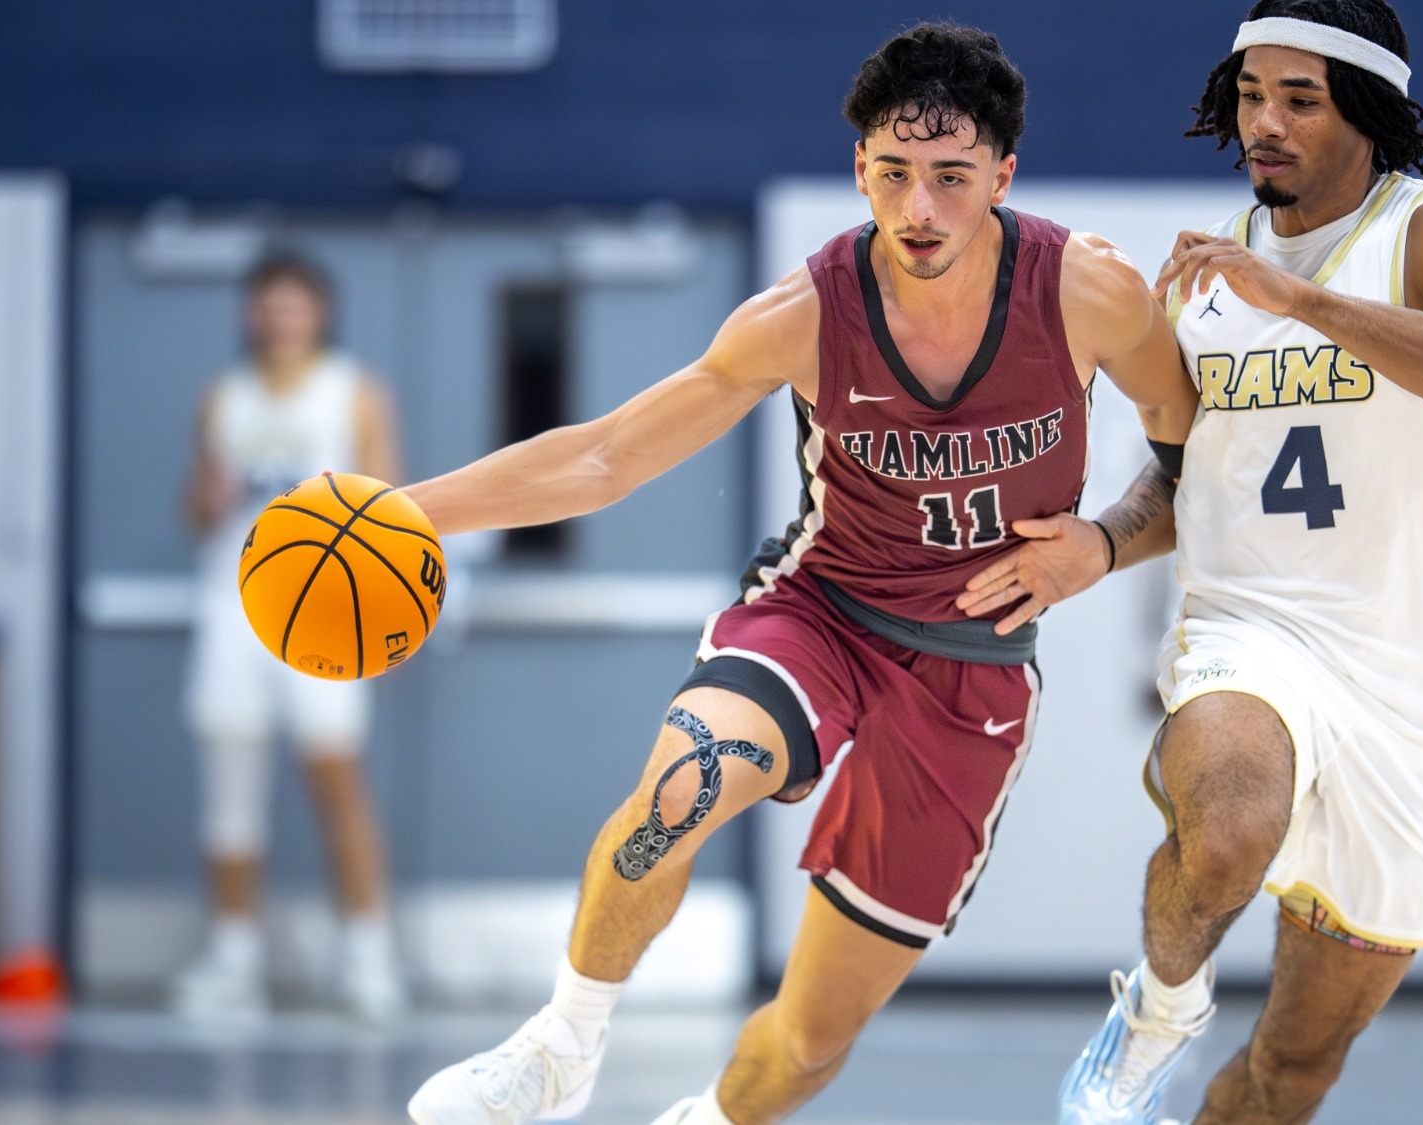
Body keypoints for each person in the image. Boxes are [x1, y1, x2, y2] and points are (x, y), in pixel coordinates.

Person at [398, 23, 1194, 1125]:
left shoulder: (1087, 293)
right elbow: (603, 455)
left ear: (1002, 177)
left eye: (952, 178)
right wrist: (406, 511)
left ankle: (710, 1121)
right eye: (893, 174)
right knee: (679, 790)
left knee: (810, 1044)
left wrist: (1104, 545)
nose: (918, 209)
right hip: (820, 614)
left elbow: (1196, 458)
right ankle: (560, 1045)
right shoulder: (803, 315)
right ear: (858, 168)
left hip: (969, 675)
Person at [957, 2, 1423, 1121]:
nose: (1262, 123)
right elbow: (1181, 480)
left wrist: (1307, 301)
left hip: (1409, 688)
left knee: (1296, 1068)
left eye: (1298, 100)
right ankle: (1158, 1013)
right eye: (1248, 95)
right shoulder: (1202, 281)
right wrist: (1100, 543)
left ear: (1365, 108)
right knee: (1225, 830)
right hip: (1249, 632)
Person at [174, 253, 410, 1022]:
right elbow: (193, 513)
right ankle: (233, 962)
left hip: (323, 615)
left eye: (293, 305)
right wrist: (207, 499)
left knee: (336, 779)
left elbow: (395, 510)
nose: (280, 318)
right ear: (252, 315)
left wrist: (385, 622)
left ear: (319, 312)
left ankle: (370, 957)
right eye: (267, 306)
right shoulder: (223, 397)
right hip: (231, 609)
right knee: (230, 790)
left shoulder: (356, 392)